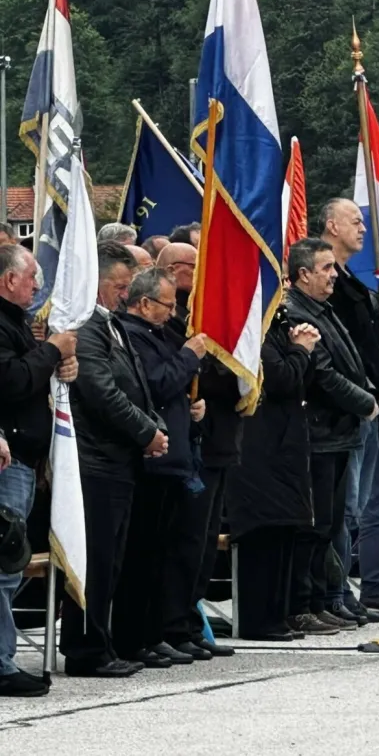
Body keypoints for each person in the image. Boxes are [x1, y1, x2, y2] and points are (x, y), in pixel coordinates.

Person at [61, 242, 167, 678]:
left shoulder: (109, 325)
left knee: (113, 561)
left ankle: (102, 644)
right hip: (95, 461)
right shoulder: (86, 327)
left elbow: (135, 385)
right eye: (121, 286)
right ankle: (87, 651)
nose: (126, 294)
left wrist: (153, 425)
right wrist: (146, 431)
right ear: (100, 283)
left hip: (118, 459)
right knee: (97, 562)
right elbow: (102, 393)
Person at [114, 268, 208, 667]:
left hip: (174, 458)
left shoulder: (158, 333)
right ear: (144, 302)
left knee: (164, 554)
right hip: (152, 463)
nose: (173, 313)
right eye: (167, 305)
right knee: (144, 556)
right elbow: (157, 382)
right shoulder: (132, 334)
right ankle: (138, 637)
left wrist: (192, 406)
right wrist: (189, 356)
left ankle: (157, 633)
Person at [285, 239, 379, 632]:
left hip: (337, 433)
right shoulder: (296, 312)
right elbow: (322, 375)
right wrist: (366, 402)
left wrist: (371, 391)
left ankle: (327, 598)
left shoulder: (322, 309)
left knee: (331, 522)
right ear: (303, 274)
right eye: (326, 268)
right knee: (315, 525)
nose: (334, 275)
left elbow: (348, 361)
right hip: (319, 434)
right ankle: (306, 603)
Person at [155, 243, 240, 657]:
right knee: (185, 540)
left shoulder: (201, 318)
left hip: (216, 440)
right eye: (194, 266)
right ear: (172, 270)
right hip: (185, 446)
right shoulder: (174, 328)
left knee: (204, 542)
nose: (201, 271)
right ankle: (173, 623)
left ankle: (188, 619)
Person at [0, 244, 77, 697]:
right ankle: (2, 660)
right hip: (8, 461)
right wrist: (50, 349)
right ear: (10, 280)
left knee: (10, 562)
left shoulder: (18, 324)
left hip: (26, 460)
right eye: (32, 279)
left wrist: (61, 362)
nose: (37, 287)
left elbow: (34, 373)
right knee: (5, 560)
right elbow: (11, 380)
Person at [320, 199, 379, 620]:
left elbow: (367, 343)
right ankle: (335, 592)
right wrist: (366, 391)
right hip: (344, 411)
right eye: (355, 221)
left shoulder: (349, 279)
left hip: (367, 402)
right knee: (345, 507)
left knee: (358, 505)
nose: (363, 228)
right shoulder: (329, 286)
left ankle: (342, 589)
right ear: (331, 225)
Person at [230, 304, 323, 639]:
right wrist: (301, 350)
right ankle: (260, 619)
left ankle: (278, 613)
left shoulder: (278, 331)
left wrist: (301, 350)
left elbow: (301, 382)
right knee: (265, 532)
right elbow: (280, 378)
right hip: (260, 450)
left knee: (285, 531)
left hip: (286, 449)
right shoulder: (253, 335)